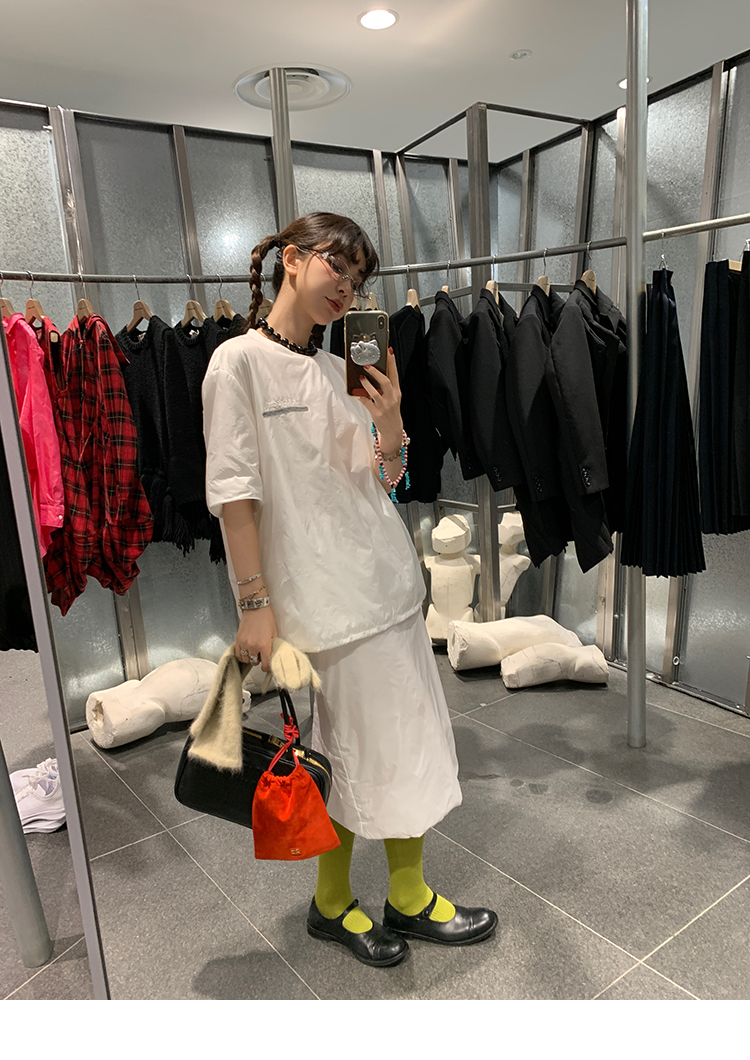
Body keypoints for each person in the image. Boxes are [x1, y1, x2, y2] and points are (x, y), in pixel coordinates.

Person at [202, 212, 497, 967]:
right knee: (347, 754)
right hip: (323, 603)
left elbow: (387, 482)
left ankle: (399, 894)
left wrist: (390, 423)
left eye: (359, 280)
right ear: (293, 259)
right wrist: (254, 607)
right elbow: (234, 497)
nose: (348, 288)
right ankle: (340, 902)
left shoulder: (340, 369)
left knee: (405, 744)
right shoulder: (236, 363)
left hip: (386, 587)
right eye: (339, 267)